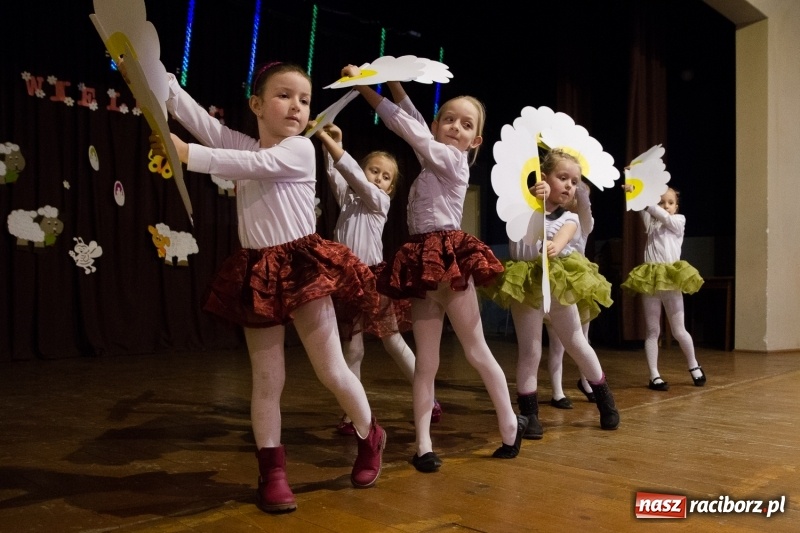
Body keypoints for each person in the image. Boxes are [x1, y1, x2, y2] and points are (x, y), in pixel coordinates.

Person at [145, 61, 387, 513]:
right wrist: (158, 79)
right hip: (260, 271)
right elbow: (205, 125)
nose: (296, 106)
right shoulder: (249, 142)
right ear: (256, 104)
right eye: (284, 95)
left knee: (332, 369)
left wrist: (187, 154)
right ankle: (272, 470)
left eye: (304, 99)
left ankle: (370, 434)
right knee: (267, 380)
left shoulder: (299, 150)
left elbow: (249, 162)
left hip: (301, 267)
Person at [345, 64, 528, 473]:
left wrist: (367, 90)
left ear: (475, 139)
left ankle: (510, 424)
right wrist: (390, 80)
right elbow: (414, 123)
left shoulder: (450, 160)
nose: (455, 128)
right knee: (426, 362)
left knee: (476, 350)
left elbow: (407, 128)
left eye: (466, 125)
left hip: (446, 260)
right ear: (437, 122)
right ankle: (423, 444)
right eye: (448, 120)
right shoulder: (432, 155)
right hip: (423, 262)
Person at [313, 122, 441, 434]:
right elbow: (336, 176)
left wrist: (335, 149)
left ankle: (430, 398)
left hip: (372, 279)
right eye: (374, 171)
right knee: (352, 350)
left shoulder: (377, 201)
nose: (378, 178)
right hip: (346, 281)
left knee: (392, 341)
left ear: (390, 189)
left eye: (386, 177)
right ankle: (352, 414)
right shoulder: (351, 199)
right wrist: (333, 143)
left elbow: (354, 176)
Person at [483, 149, 620, 438]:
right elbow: (519, 217)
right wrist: (533, 195)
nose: (569, 185)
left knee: (576, 342)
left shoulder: (569, 219)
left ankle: (605, 400)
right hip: (526, 284)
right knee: (530, 350)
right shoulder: (519, 210)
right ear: (543, 178)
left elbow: (562, 238)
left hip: (556, 284)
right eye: (563, 178)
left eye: (575, 181)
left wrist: (555, 244)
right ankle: (530, 414)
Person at [621, 185, 706, 390]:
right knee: (652, 330)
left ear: (677, 207)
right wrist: (633, 186)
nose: (666, 206)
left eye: (670, 203)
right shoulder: (651, 222)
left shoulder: (678, 220)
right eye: (661, 202)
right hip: (650, 279)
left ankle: (694, 365)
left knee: (679, 330)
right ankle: (654, 375)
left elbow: (663, 217)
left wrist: (648, 202)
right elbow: (639, 205)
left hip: (670, 278)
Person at [544, 180, 611, 408]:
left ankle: (588, 381)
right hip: (557, 282)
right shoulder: (550, 218)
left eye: (577, 189)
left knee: (582, 340)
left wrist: (580, 185)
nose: (573, 193)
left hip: (578, 283)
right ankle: (557, 392)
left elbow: (585, 207)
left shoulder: (582, 221)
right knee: (557, 343)